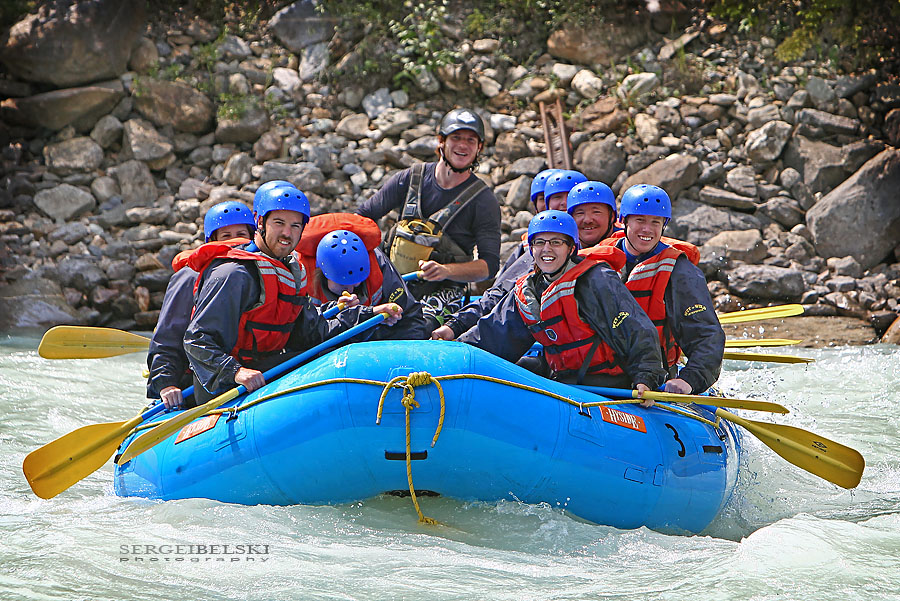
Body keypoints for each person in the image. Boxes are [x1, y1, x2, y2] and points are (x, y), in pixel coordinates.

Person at [183, 186, 402, 405]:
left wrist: (367, 314)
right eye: (279, 223)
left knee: (328, 355)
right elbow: (197, 340)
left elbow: (312, 331)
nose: (287, 233)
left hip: (264, 371)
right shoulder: (233, 273)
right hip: (226, 386)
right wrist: (236, 372)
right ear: (260, 222)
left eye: (295, 226)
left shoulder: (288, 271)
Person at [457, 210, 667, 399]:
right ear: (531, 249)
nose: (547, 249)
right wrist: (454, 351)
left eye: (556, 242)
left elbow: (637, 330)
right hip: (563, 382)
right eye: (540, 243)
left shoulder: (596, 280)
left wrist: (646, 377)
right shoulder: (529, 291)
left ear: (571, 248)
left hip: (609, 385)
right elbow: (494, 335)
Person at [356, 108, 501, 330]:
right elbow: (363, 217)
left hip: (444, 290)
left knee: (416, 330)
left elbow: (489, 266)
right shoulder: (410, 178)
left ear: (479, 147)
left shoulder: (484, 201)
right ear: (441, 141)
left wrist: (446, 270)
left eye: (470, 140)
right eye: (456, 138)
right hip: (394, 281)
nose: (463, 146)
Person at [598, 184, 725, 395]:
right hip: (599, 375)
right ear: (624, 221)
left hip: (655, 376)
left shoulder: (680, 271)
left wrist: (689, 380)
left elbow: (706, 335)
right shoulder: (598, 260)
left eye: (655, 222)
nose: (647, 229)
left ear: (664, 225)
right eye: (640, 220)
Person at [147, 200, 256, 409]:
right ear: (212, 240)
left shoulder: (255, 271)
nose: (235, 241)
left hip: (244, 372)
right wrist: (166, 383)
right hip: (199, 379)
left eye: (241, 234)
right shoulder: (190, 276)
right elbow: (168, 334)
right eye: (226, 236)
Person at [296, 212, 428, 341]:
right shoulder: (299, 273)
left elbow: (412, 316)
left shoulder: (377, 261)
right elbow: (304, 333)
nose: (351, 291)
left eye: (356, 283)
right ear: (323, 274)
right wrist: (356, 313)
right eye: (342, 284)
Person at [566, 180, 618, 248]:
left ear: (612, 217)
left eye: (596, 212)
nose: (587, 220)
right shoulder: (562, 249)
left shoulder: (630, 246)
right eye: (580, 213)